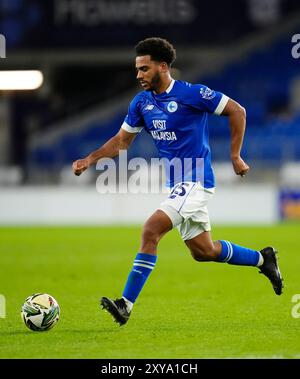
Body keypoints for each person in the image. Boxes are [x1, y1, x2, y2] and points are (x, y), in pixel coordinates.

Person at [72, 37, 283, 326]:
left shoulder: (192, 94)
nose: (139, 76)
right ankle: (263, 259)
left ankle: (126, 304)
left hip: (196, 180)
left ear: (162, 66)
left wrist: (235, 155)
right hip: (177, 185)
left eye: (144, 69)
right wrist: (90, 159)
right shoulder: (141, 103)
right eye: (137, 70)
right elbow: (122, 142)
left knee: (151, 229)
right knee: (203, 251)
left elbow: (238, 111)